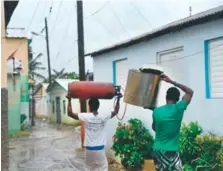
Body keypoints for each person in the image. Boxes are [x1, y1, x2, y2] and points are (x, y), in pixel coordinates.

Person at [66, 94, 122, 171]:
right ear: (98, 106)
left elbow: (70, 113)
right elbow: (116, 111)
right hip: (100, 149)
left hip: (89, 149)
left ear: (89, 106)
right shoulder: (104, 116)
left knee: (88, 168)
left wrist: (69, 100)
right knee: (102, 168)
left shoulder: (86, 116)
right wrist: (118, 99)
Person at [152, 74, 194, 171]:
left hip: (157, 150)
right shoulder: (179, 108)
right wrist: (172, 82)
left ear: (166, 97)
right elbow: (190, 92)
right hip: (171, 151)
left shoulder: (156, 111)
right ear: (178, 99)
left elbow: (154, 128)